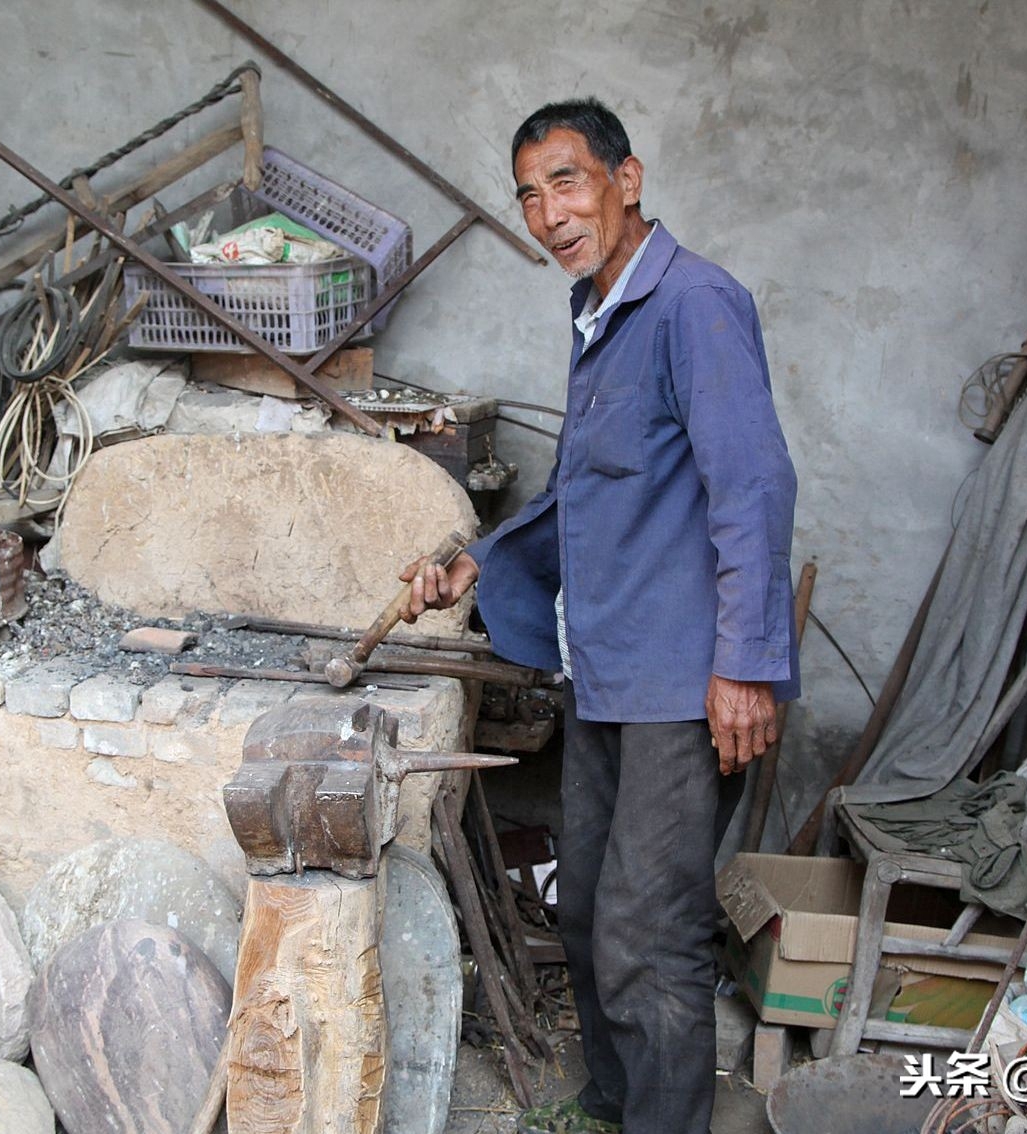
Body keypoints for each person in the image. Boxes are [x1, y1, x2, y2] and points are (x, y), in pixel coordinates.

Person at [400, 98, 799, 1134]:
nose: (547, 214)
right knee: (583, 906)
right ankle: (615, 1105)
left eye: (567, 181)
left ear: (628, 180)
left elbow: (751, 486)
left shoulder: (695, 305)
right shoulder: (597, 313)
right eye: (529, 195)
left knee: (648, 931)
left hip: (682, 682)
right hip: (606, 669)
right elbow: (584, 490)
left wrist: (748, 666)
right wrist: (478, 567)